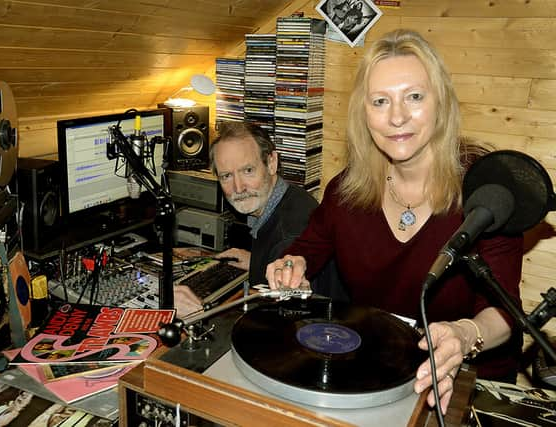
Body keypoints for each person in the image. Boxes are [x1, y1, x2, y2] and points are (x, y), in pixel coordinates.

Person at [266, 29, 523, 415]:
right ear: (363, 113)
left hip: (472, 378)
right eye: (380, 101)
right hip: (381, 374)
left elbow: (504, 313)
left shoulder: (489, 189)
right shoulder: (345, 190)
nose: (397, 116)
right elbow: (308, 247)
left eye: (414, 97)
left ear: (442, 103)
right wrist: (292, 264)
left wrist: (464, 333)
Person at [210, 122, 343, 298]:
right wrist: (258, 262)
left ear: (272, 163)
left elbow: (283, 322)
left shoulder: (288, 238)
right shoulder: (293, 196)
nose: (238, 187)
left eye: (248, 170)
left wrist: (200, 312)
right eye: (226, 176)